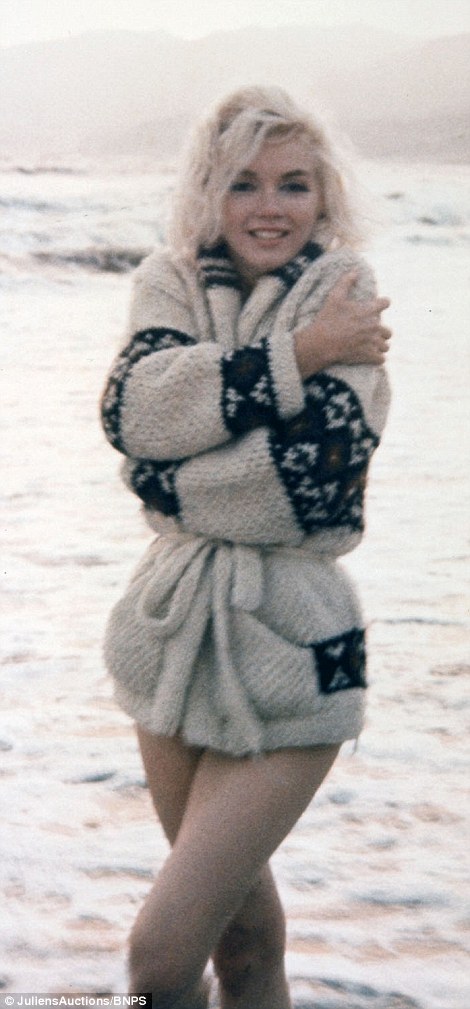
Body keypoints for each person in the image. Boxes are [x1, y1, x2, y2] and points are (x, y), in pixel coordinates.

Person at [100, 86, 391, 1009]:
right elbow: (132, 411)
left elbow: (306, 482)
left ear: (324, 198)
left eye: (294, 184)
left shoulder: (348, 294)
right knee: (246, 943)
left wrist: (172, 475)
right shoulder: (169, 282)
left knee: (156, 960)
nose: (269, 206)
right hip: (170, 644)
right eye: (243, 184)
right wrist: (295, 357)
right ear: (208, 196)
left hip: (300, 651)